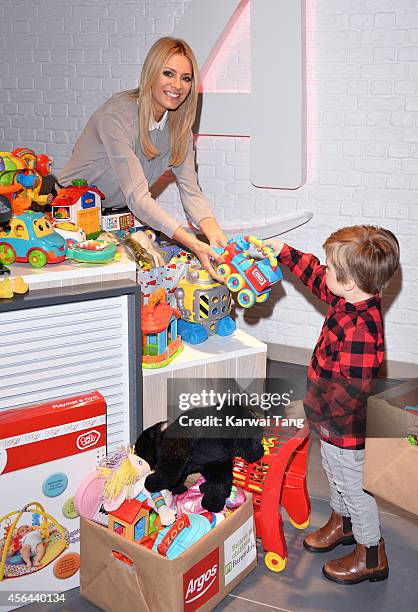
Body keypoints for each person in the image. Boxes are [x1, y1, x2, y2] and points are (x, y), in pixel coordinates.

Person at [267, 225, 400, 585]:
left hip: (346, 427)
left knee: (354, 487)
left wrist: (308, 410)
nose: (322, 270)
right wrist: (283, 251)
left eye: (329, 267)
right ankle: (342, 525)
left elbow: (349, 392)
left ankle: (371, 553)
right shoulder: (348, 297)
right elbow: (313, 274)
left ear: (348, 282)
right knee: (333, 472)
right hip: (331, 423)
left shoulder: (361, 331)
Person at [59, 37, 227, 279]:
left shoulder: (179, 130)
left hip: (117, 219)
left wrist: (213, 232)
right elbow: (138, 197)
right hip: (69, 217)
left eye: (186, 78)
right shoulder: (117, 114)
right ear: (151, 73)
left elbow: (191, 191)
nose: (177, 85)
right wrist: (191, 242)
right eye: (168, 73)